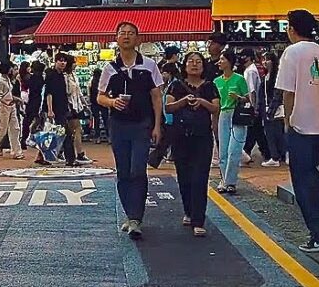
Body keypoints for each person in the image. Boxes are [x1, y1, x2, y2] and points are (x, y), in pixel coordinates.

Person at [96, 21, 164, 240]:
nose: (126, 37)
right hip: (118, 125)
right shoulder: (110, 68)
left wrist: (157, 125)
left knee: (138, 169)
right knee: (123, 171)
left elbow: (156, 96)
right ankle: (130, 215)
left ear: (138, 39)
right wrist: (112, 102)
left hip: (142, 124)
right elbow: (100, 96)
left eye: (130, 33)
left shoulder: (149, 66)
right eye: (122, 33)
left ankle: (136, 217)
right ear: (116, 38)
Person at [278, 9, 319, 253]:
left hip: (300, 125)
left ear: (292, 29)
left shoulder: (292, 52)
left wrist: (287, 120)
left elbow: (288, 91)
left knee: (303, 183)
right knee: (312, 179)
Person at [165, 52, 221, 237]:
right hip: (181, 138)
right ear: (185, 66)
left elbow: (216, 108)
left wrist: (202, 102)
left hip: (202, 137)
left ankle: (199, 220)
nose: (194, 65)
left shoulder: (210, 86)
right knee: (184, 177)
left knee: (200, 178)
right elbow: (168, 107)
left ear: (204, 66)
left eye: (198, 62)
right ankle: (188, 211)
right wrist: (183, 102)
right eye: (191, 61)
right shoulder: (176, 85)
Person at [214, 49, 250, 193]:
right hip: (223, 114)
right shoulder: (216, 81)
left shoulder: (239, 79)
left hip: (238, 115)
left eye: (222, 59)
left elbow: (248, 98)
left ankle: (230, 182)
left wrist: (238, 98)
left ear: (230, 62)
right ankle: (224, 180)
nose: (220, 62)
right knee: (222, 150)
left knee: (234, 150)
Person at [241, 49, 270, 164]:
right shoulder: (251, 69)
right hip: (255, 105)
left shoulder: (250, 71)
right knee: (256, 131)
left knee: (255, 130)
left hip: (253, 105)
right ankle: (263, 152)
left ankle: (248, 152)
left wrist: (253, 107)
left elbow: (251, 91)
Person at [260, 51, 287, 166]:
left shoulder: (277, 76)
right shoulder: (266, 76)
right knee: (270, 134)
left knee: (277, 134)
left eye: (268, 59)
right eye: (264, 59)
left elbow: (278, 94)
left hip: (275, 109)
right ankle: (275, 155)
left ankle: (278, 156)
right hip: (266, 108)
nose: (265, 62)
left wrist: (272, 108)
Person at [87, 67, 109, 143]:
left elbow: (89, 93)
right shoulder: (103, 82)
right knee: (106, 119)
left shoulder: (91, 81)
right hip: (103, 102)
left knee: (96, 120)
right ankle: (109, 137)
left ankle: (97, 137)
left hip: (94, 103)